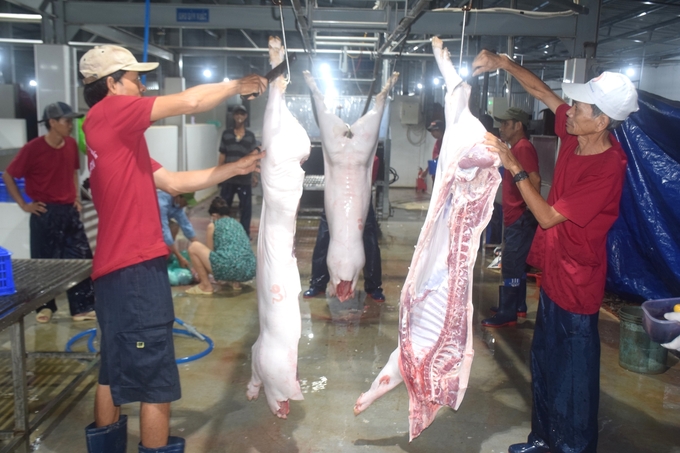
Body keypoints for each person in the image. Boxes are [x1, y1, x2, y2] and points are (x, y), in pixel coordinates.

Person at [78, 44, 266, 453]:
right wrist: (236, 84)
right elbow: (191, 100)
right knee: (155, 381)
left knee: (112, 372)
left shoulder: (113, 136)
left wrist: (236, 167)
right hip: (135, 271)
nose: (142, 86)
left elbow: (177, 183)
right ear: (111, 84)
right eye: (135, 78)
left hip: (112, 274)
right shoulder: (111, 112)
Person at [473, 50, 638, 453]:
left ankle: (572, 447)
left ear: (601, 120)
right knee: (545, 365)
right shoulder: (575, 133)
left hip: (578, 290)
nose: (566, 112)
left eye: (577, 108)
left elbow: (546, 216)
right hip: (554, 277)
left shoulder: (608, 166)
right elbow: (543, 92)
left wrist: (513, 164)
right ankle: (543, 439)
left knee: (573, 378)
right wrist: (505, 64)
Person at [2, 102, 96, 324]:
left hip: (68, 212)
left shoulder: (71, 145)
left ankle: (81, 307)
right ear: (52, 123)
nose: (71, 126)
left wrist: (75, 197)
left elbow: (73, 171)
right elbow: (8, 176)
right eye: (66, 121)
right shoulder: (33, 148)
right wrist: (24, 205)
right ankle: (45, 307)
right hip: (45, 212)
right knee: (45, 261)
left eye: (71, 121)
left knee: (80, 258)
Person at [483, 107, 540, 327]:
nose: (501, 127)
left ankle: (508, 312)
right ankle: (518, 304)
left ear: (518, 125)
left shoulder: (523, 147)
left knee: (511, 266)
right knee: (515, 264)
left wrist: (526, 209)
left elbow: (534, 179)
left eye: (506, 123)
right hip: (516, 215)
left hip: (520, 216)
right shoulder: (515, 148)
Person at [303, 156, 385, 302]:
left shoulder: (370, 156)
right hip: (334, 199)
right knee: (324, 239)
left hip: (360, 202)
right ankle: (318, 284)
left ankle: (374, 287)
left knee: (370, 243)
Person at [186, 197, 256, 294]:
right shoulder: (237, 224)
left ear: (214, 215)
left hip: (228, 267)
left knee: (194, 247)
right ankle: (236, 283)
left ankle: (205, 286)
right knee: (235, 253)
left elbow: (211, 254)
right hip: (249, 270)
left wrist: (199, 271)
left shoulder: (213, 225)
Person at [218, 104, 259, 238]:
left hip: (244, 178)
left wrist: (254, 175)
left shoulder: (250, 136)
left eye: (242, 114)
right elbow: (222, 155)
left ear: (245, 116)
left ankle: (244, 235)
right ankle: (222, 233)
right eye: (237, 114)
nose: (239, 116)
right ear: (234, 116)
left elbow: (253, 157)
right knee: (224, 207)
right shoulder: (226, 134)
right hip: (229, 178)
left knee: (246, 209)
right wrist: (219, 174)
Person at [157, 190, 198, 269]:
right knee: (167, 233)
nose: (186, 205)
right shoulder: (162, 203)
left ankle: (168, 254)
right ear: (178, 197)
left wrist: (199, 246)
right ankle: (162, 260)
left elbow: (186, 225)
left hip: (159, 222)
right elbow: (165, 232)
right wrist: (180, 258)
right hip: (145, 222)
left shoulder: (177, 205)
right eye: (185, 202)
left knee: (174, 226)